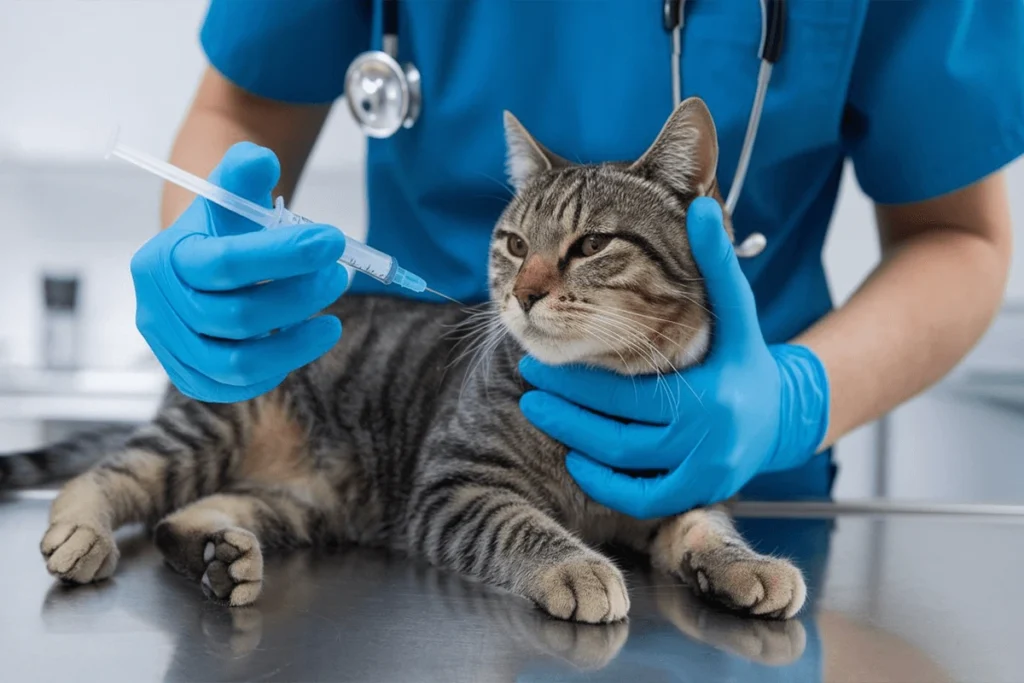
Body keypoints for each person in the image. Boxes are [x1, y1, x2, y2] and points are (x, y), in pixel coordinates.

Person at [130, 0, 1023, 516]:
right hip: (410, 452)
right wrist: (208, 257)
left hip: (730, 476)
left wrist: (793, 400)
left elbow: (961, 234)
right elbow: (242, 112)